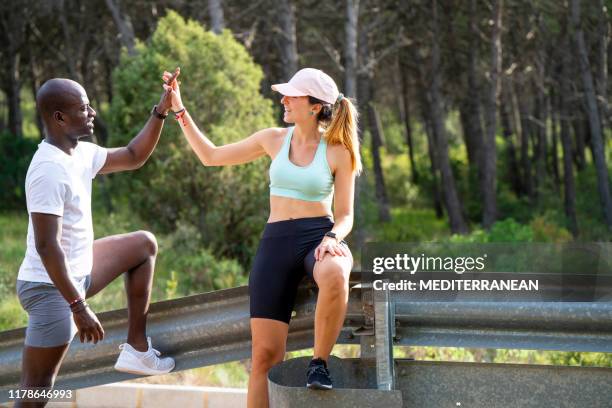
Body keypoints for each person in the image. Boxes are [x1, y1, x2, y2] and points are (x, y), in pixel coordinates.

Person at [161, 66, 361, 407]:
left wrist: (332, 238)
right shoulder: (272, 139)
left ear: (314, 106)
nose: (283, 100)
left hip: (318, 237)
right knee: (265, 356)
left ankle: (319, 363)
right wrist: (179, 109)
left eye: (291, 96)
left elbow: (345, 215)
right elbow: (211, 156)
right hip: (276, 242)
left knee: (336, 270)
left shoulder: (338, 150)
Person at [15, 76, 178, 407]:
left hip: (76, 272)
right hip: (49, 288)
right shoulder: (47, 169)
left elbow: (134, 155)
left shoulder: (81, 152)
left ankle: (136, 350)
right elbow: (48, 246)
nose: (92, 113)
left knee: (143, 245)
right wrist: (78, 306)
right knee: (35, 391)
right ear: (59, 118)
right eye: (83, 107)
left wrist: (160, 111)